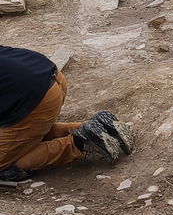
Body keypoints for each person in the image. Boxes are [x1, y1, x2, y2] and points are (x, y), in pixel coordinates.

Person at [1, 45, 135, 183]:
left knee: (4, 166)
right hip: (51, 75)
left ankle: (80, 142)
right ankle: (95, 128)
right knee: (27, 134)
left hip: (35, 98)